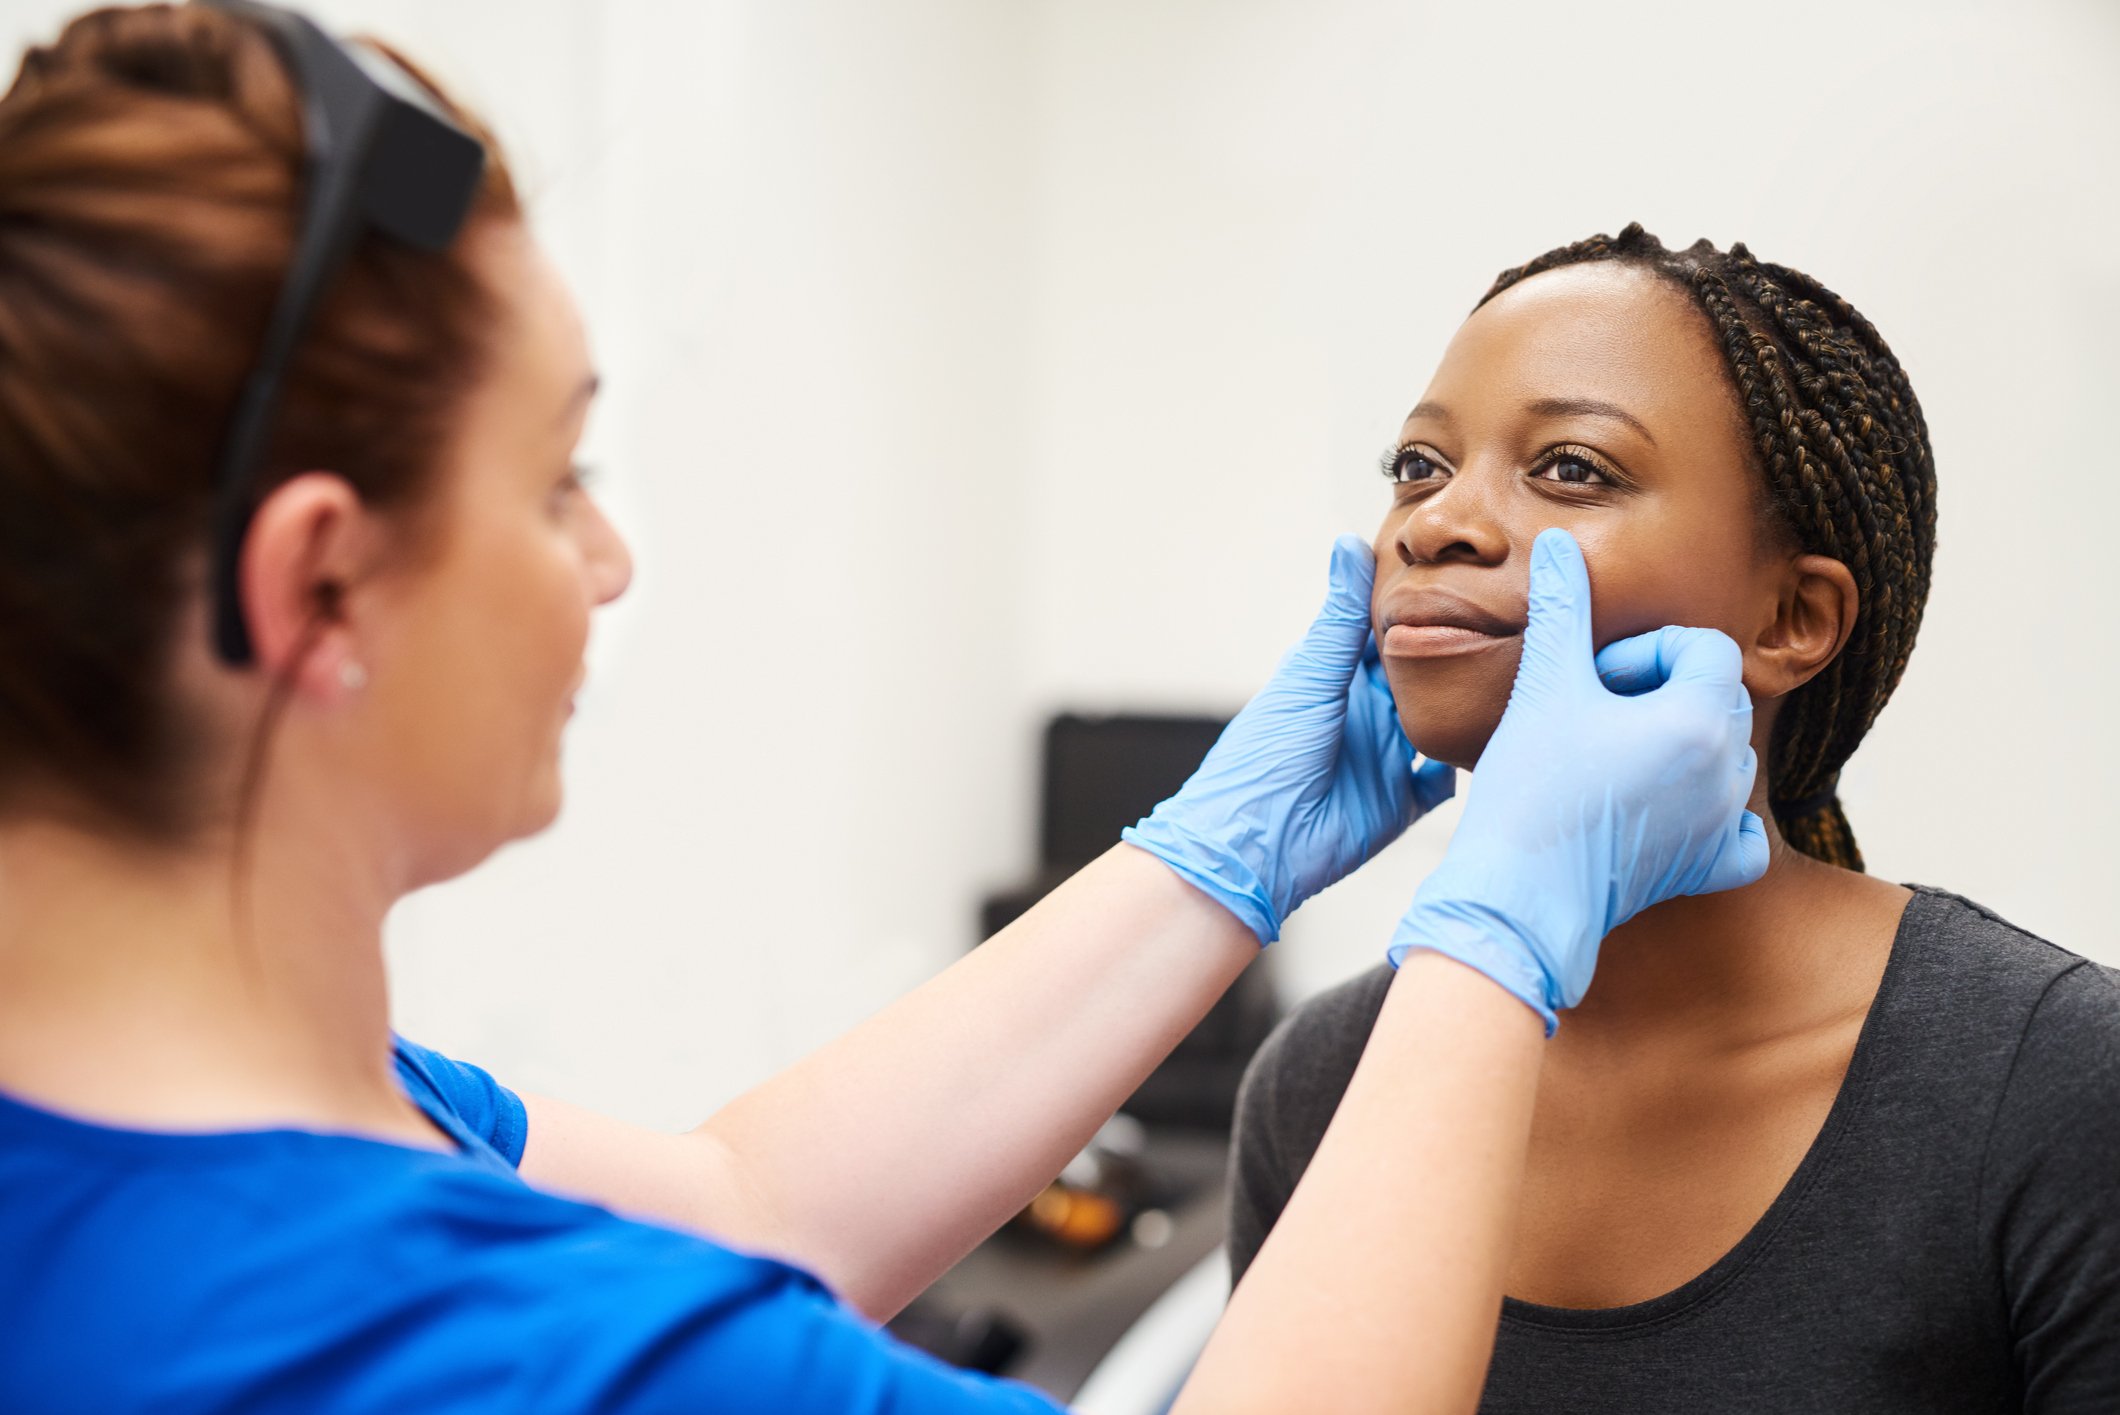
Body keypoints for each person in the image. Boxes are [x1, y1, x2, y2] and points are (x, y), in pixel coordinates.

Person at [0, 12, 1766, 1413]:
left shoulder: (291, 1113)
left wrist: (1216, 858)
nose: (607, 564)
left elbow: (748, 1209)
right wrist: (1494, 940)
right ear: (316, 587)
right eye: (559, 482)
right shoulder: (516, 1356)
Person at [1227, 226, 2120, 1412]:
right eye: (1416, 464)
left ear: (1791, 616)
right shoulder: (1316, 1083)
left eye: (1572, 468)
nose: (1432, 524)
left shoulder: (2055, 1083)